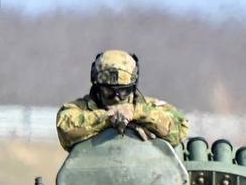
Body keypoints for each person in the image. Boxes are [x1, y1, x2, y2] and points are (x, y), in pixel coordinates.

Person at [55, 50, 188, 151]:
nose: (116, 97)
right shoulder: (78, 109)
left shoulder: (151, 108)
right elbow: (65, 129)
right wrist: (108, 118)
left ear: (133, 86)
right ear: (97, 86)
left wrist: (138, 113)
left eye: (123, 91)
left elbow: (181, 129)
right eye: (109, 91)